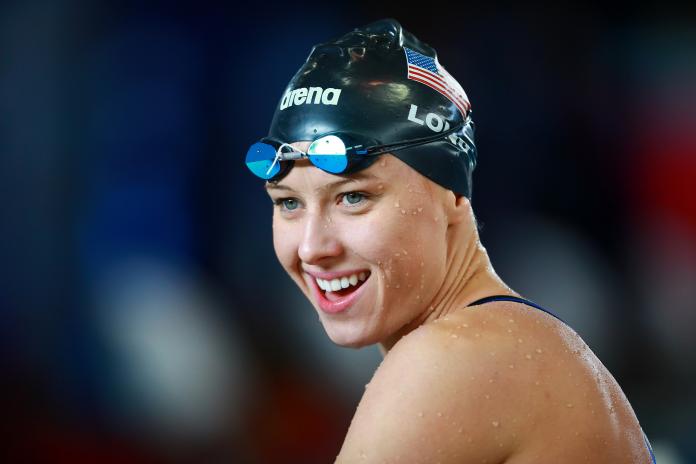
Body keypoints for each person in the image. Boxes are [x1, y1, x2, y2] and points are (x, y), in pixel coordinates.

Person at [245, 18, 656, 464]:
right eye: (288, 204)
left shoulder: (456, 359)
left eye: (353, 197)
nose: (311, 247)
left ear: (453, 197)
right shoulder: (513, 340)